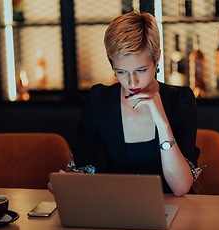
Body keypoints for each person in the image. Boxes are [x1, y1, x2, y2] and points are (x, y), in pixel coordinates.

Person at [56, 11, 202, 197]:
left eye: (140, 70)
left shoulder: (181, 100)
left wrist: (163, 124)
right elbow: (81, 166)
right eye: (121, 72)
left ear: (156, 59)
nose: (132, 82)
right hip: (117, 210)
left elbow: (181, 187)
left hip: (175, 211)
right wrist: (67, 183)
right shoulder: (99, 100)